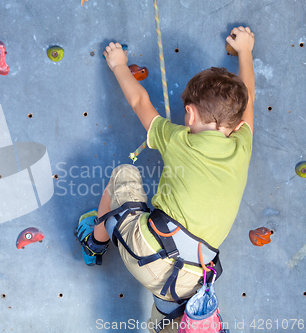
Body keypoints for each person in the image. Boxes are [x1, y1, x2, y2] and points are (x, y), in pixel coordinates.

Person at [76, 26, 255, 332]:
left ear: (189, 115)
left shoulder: (178, 139)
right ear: (237, 125)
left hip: (146, 253)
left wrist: (119, 64)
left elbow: (139, 103)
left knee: (124, 174)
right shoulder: (242, 146)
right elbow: (248, 103)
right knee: (169, 318)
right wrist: (246, 52)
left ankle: (94, 242)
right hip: (186, 283)